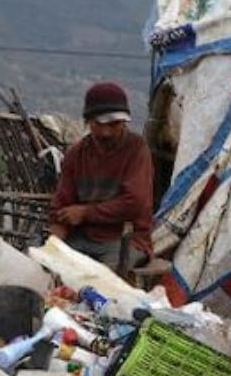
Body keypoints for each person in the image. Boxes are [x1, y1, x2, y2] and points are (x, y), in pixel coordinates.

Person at [49, 81, 153, 272]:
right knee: (45, 268)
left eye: (113, 125)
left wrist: (85, 212)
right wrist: (54, 239)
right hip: (81, 239)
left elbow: (134, 204)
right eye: (99, 124)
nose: (106, 132)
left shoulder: (137, 149)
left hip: (125, 239)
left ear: (123, 122)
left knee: (100, 280)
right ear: (88, 122)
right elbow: (62, 205)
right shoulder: (76, 153)